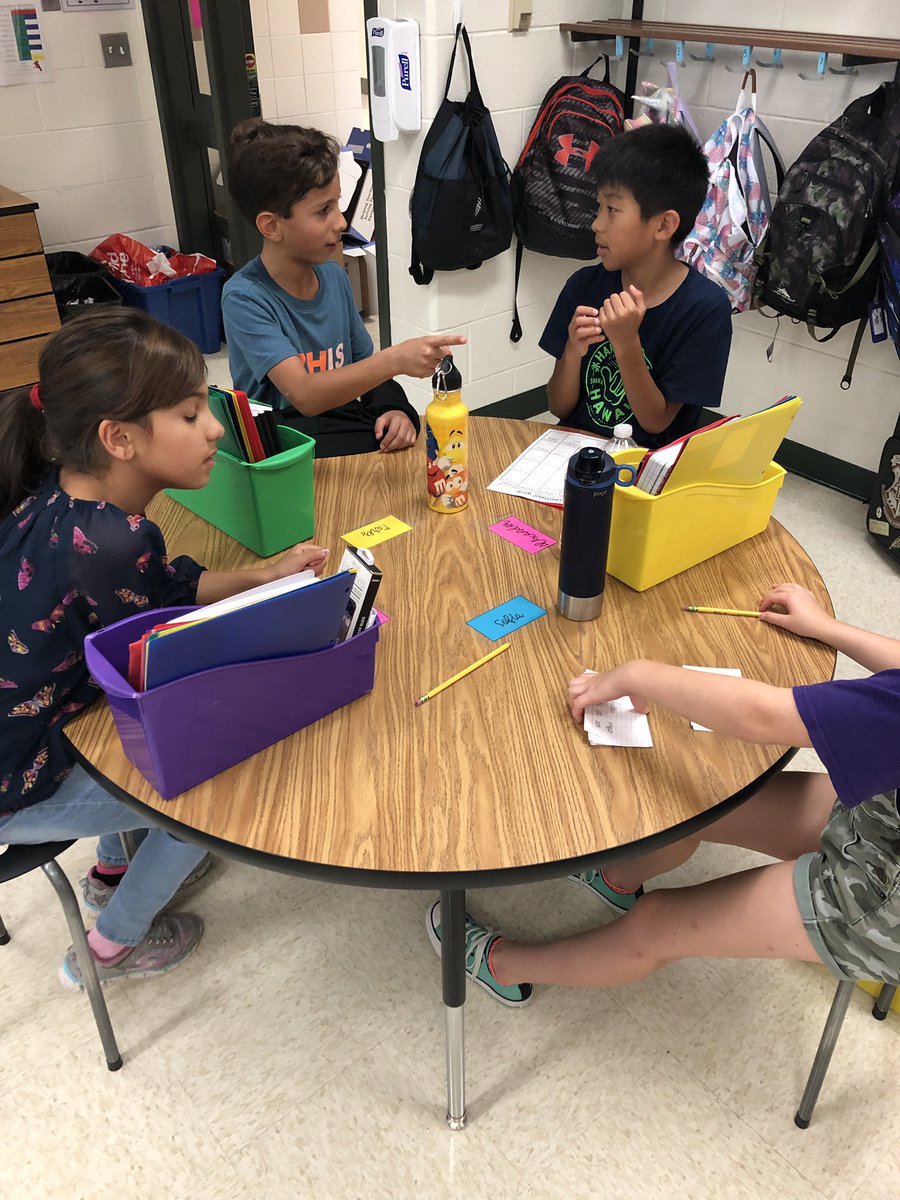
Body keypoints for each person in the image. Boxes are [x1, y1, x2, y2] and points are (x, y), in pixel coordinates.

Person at [0, 309, 329, 990]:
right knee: (206, 797)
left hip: (38, 728)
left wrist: (260, 578)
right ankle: (109, 949)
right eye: (189, 415)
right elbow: (164, 665)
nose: (214, 429)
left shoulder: (65, 499)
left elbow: (163, 589)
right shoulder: (110, 544)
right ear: (118, 438)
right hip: (17, 781)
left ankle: (115, 866)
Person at [427, 583, 900, 1007]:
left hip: (885, 907)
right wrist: (826, 628)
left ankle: (502, 964)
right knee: (706, 803)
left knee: (654, 925)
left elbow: (765, 717)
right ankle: (615, 878)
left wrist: (638, 675)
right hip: (882, 819)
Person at [222, 118, 465, 458]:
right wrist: (394, 359)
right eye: (323, 210)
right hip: (282, 440)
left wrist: (393, 409)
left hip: (339, 419)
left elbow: (364, 367)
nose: (341, 222)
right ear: (272, 225)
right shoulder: (245, 297)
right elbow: (304, 396)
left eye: (337, 204)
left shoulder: (334, 277)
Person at [540, 123, 733, 450]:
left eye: (612, 210)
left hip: (645, 466)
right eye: (599, 207)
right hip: (572, 452)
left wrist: (627, 343)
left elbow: (656, 422)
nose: (596, 224)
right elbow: (558, 408)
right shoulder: (584, 285)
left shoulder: (705, 309)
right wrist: (572, 352)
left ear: (664, 225)